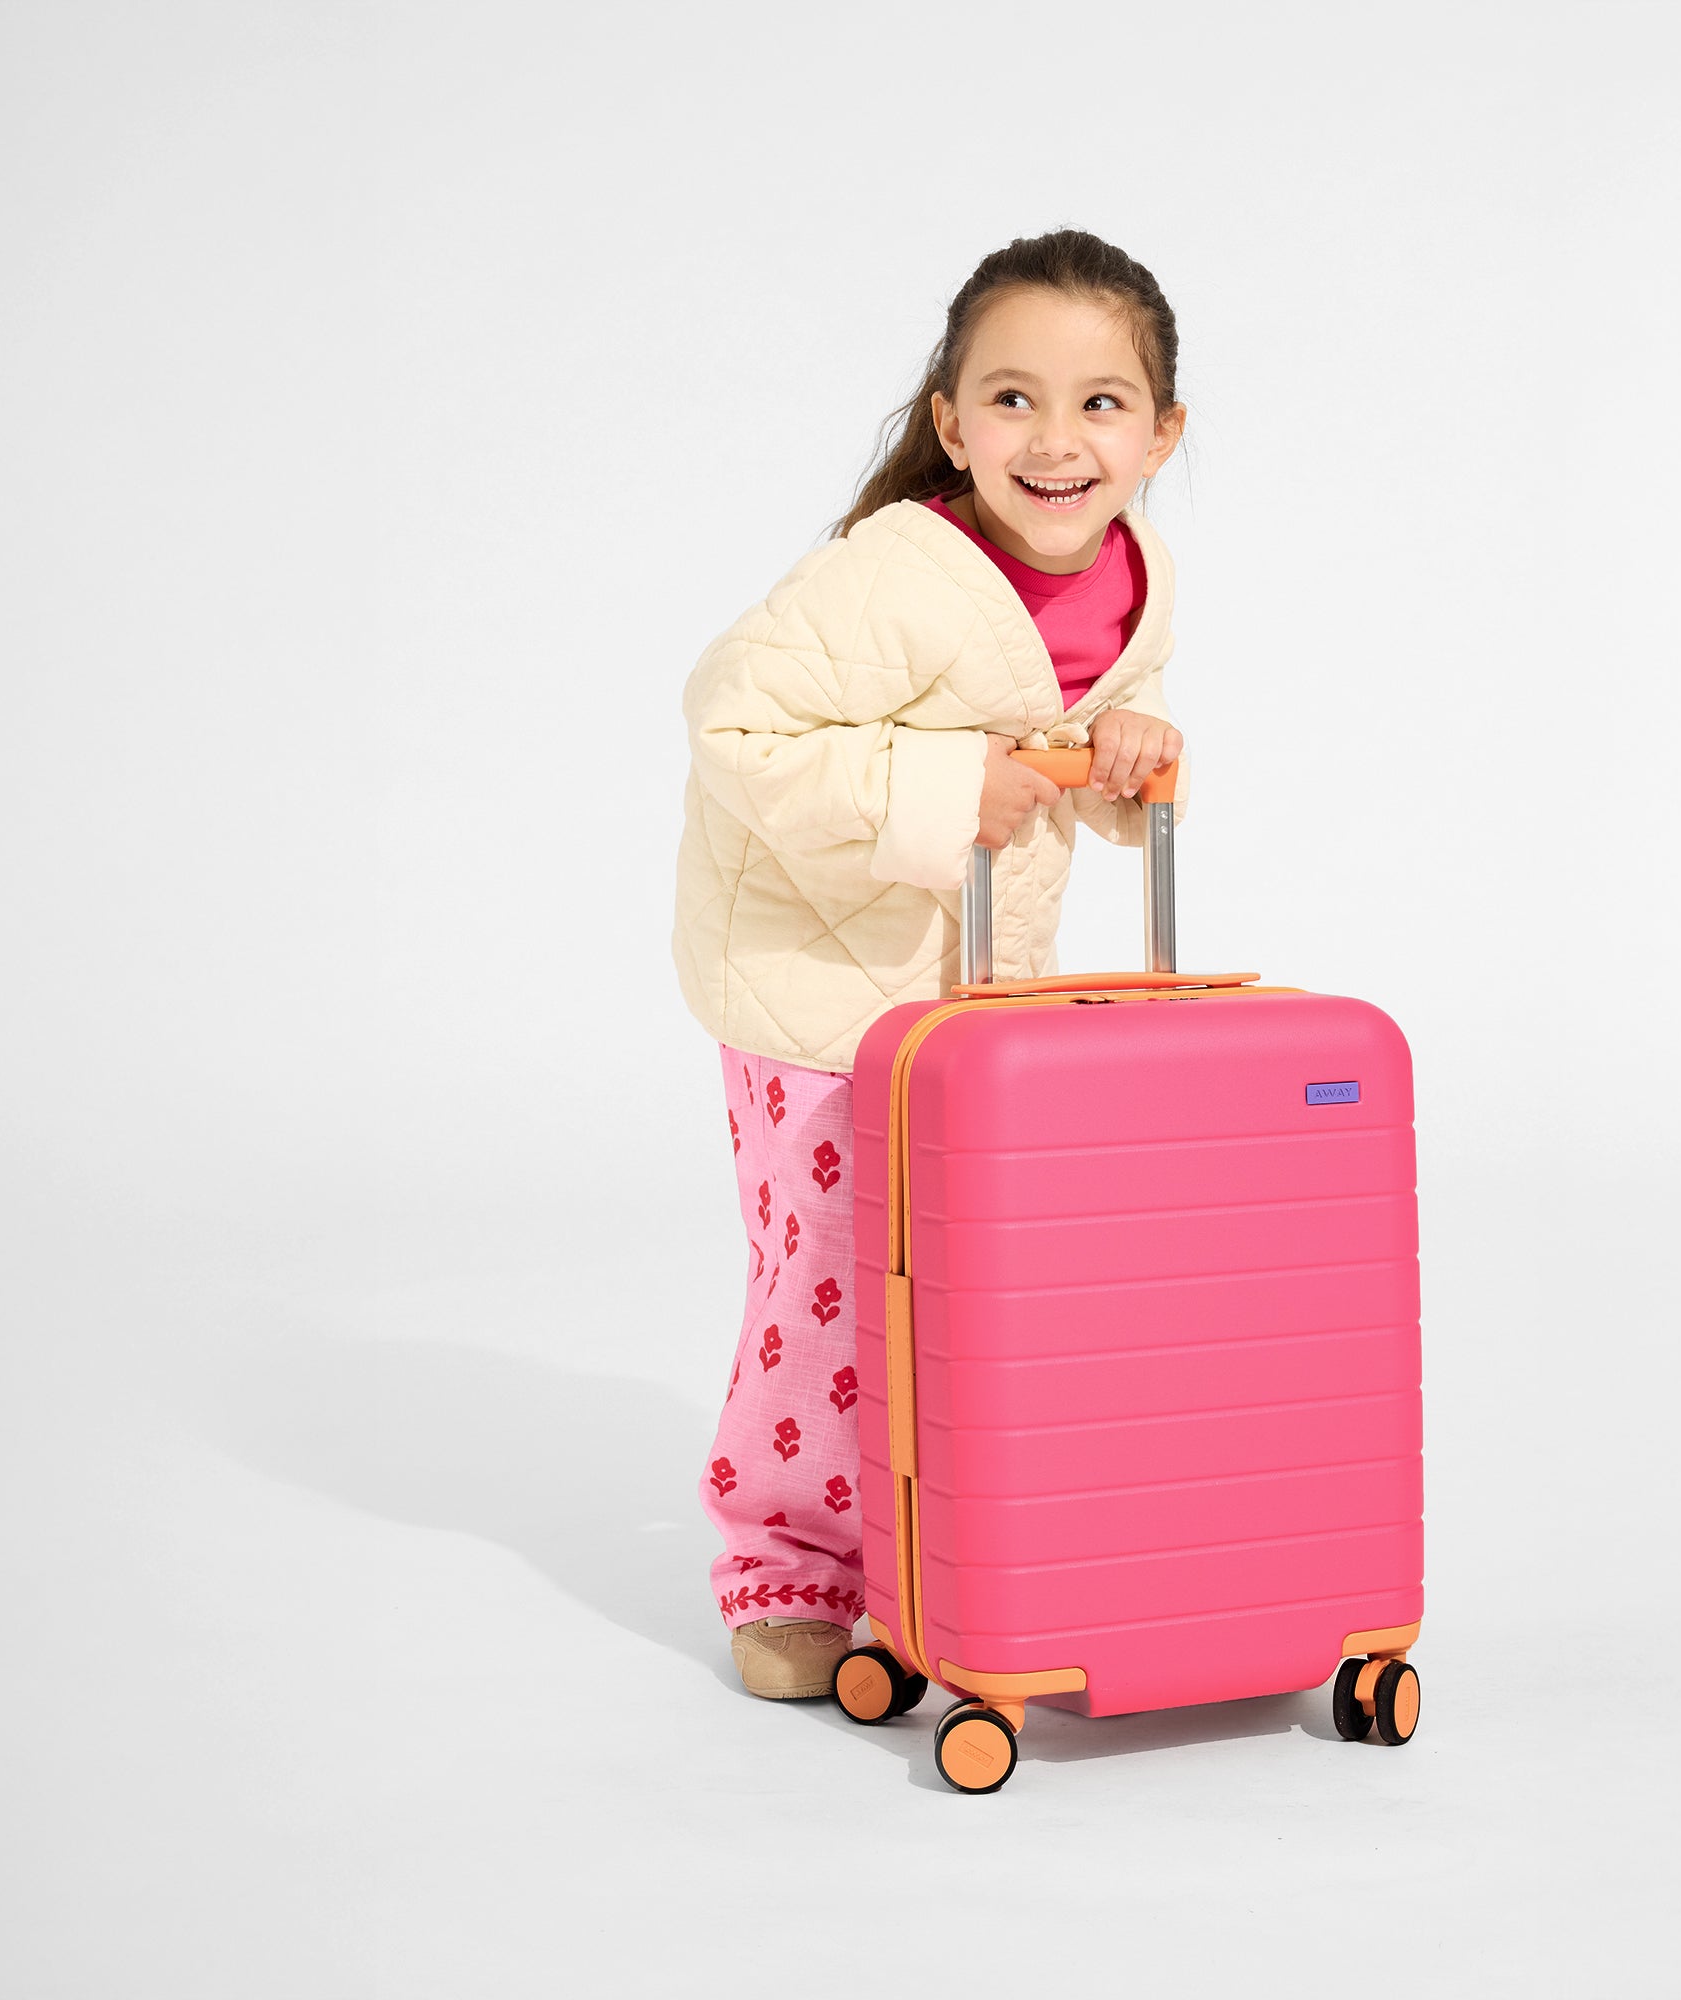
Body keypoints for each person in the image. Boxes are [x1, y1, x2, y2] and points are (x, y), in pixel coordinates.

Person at [672, 230, 1190, 1699]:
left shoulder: (1134, 578)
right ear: (953, 423)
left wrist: (1129, 751)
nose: (1056, 438)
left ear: (1160, 434)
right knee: (829, 1285)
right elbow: (731, 724)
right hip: (818, 994)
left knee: (957, 1277)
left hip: (964, 1004)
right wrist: (938, 787)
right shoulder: (891, 576)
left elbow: (1079, 734)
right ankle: (784, 1566)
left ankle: (928, 1540)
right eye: (1012, 398)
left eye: (1102, 404)